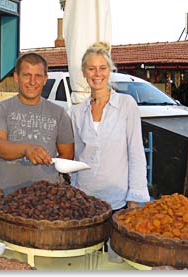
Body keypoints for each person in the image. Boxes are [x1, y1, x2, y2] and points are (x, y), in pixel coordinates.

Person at [70, 42, 150, 212]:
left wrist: (134, 197)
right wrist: (73, 191)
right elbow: (76, 157)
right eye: (91, 69)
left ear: (110, 70)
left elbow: (135, 152)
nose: (97, 74)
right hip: (84, 199)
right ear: (84, 73)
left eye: (102, 68)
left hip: (117, 199)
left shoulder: (126, 105)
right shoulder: (76, 113)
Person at [0, 52, 74, 195]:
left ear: (45, 79)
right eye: (27, 75)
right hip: (9, 197)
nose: (33, 82)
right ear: (16, 77)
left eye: (38, 76)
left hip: (48, 197)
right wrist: (27, 150)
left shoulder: (59, 113)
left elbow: (67, 155)